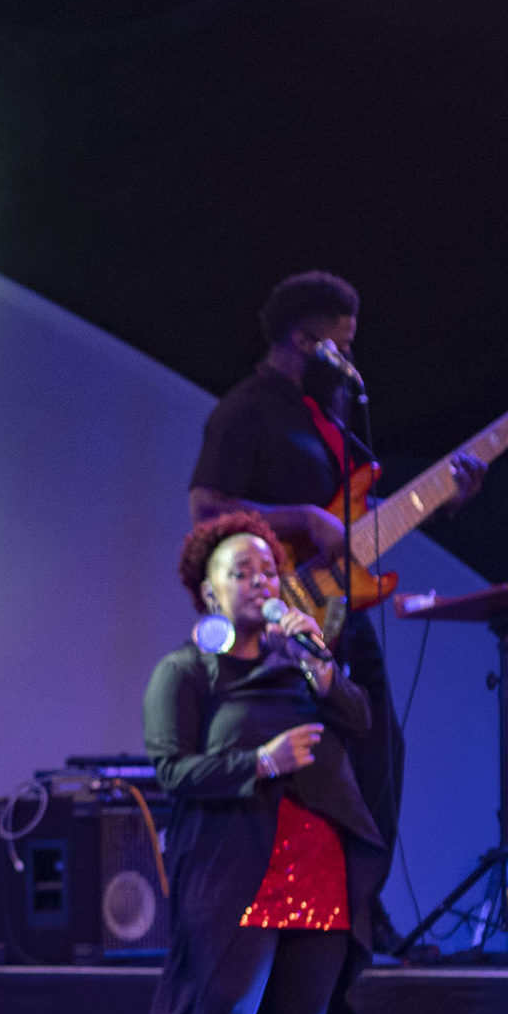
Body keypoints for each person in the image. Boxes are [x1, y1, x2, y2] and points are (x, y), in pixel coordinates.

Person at [189, 271, 482, 925]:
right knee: (310, 767)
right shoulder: (244, 411)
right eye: (339, 345)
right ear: (302, 338)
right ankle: (312, 911)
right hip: (276, 613)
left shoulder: (324, 416)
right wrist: (302, 517)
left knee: (380, 752)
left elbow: (353, 525)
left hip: (338, 609)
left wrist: (444, 500)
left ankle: (360, 911)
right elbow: (207, 509)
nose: (349, 358)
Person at [141, 513, 387, 1014]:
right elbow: (171, 769)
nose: (258, 582)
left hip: (316, 858)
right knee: (227, 1010)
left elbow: (362, 720)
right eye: (240, 571)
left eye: (268, 571)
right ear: (208, 592)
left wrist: (321, 666)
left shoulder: (301, 658)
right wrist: (260, 761)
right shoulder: (186, 671)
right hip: (233, 861)